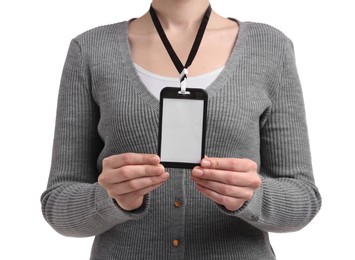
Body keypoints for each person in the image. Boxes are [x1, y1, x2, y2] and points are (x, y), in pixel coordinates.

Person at [40, 0, 322, 259]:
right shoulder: (89, 49)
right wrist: (109, 198)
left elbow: (304, 197)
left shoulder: (271, 48)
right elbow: (58, 203)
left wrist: (254, 196)